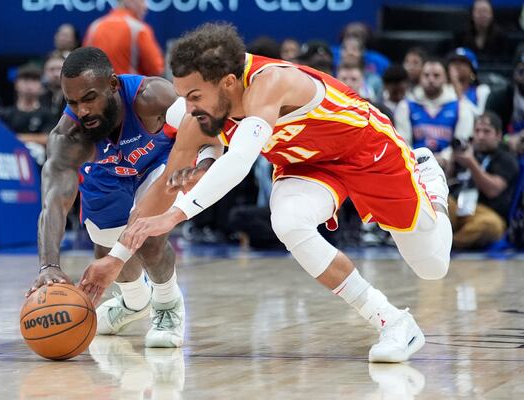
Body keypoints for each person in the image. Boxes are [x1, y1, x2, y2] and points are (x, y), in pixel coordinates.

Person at [86, 23, 453, 363]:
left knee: (432, 267)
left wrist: (175, 215)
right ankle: (392, 322)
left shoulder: (271, 81)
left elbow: (241, 160)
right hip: (304, 165)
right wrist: (115, 258)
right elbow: (168, 183)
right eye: (183, 95)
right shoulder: (200, 113)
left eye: (194, 95)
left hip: (365, 151)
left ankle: (429, 182)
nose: (189, 107)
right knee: (288, 222)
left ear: (228, 83)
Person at [25, 47, 217, 348]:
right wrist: (48, 265)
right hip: (107, 176)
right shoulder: (69, 137)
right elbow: (54, 203)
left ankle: (167, 305)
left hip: (160, 162)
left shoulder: (152, 96)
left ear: (113, 85)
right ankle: (134, 301)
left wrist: (205, 162)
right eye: (73, 102)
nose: (83, 110)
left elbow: (205, 130)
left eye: (89, 98)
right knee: (107, 252)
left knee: (147, 233)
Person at [447, 112, 520, 249]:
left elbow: (493, 190)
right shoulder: (466, 151)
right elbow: (447, 182)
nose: (480, 136)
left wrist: (472, 164)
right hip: (458, 206)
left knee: (491, 226)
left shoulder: (506, 159)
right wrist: (452, 161)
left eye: (486, 132)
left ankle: (451, 244)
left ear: (498, 135)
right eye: (477, 131)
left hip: (486, 212)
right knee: (438, 200)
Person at [394, 58, 475, 155]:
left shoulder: (460, 107)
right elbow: (403, 142)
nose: (431, 79)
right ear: (420, 78)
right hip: (415, 164)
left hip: (450, 166)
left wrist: (445, 158)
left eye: (436, 76)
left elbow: (461, 142)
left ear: (446, 78)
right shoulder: (405, 106)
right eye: (426, 75)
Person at [83, 0, 164, 76]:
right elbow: (156, 69)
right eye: (142, 0)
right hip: (130, 90)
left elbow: (84, 65)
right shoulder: (139, 29)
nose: (146, 6)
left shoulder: (95, 27)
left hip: (99, 89)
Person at [447, 47, 490, 115]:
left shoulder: (481, 90)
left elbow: (479, 115)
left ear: (472, 69)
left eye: (462, 62)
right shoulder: (443, 89)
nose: (457, 66)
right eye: (453, 62)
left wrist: (459, 92)